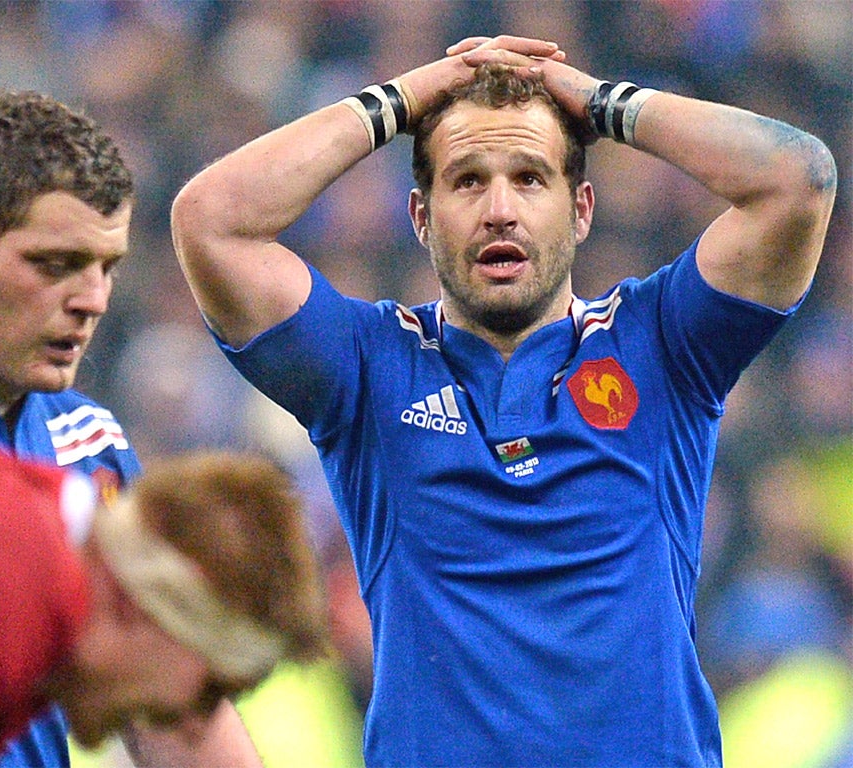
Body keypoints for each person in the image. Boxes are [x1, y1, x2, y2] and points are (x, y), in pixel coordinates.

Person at [170, 34, 837, 767]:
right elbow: (211, 220)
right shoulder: (368, 368)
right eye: (466, 180)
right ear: (420, 218)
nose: (499, 210)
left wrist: (596, 100)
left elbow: (797, 178)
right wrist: (404, 99)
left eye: (529, 177)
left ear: (581, 209)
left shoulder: (662, 343)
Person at [0, 89, 261, 767]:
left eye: (107, 266)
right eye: (54, 264)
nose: (91, 300)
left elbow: (175, 712)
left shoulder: (90, 440)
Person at [0, 446, 328, 768]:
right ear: (153, 608)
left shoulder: (45, 523)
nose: (195, 724)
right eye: (211, 690)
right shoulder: (15, 584)